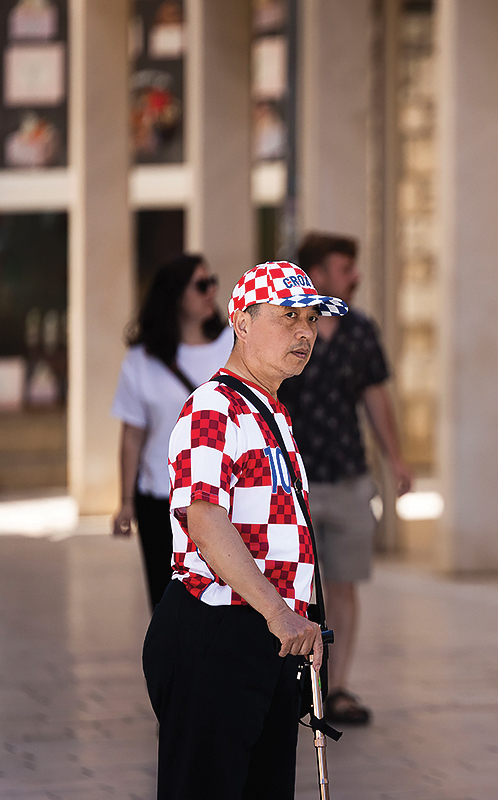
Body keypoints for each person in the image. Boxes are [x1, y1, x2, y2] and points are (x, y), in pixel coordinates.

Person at [142, 261, 348, 800]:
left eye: (312, 319)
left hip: (269, 638)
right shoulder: (213, 407)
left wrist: (298, 618)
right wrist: (279, 612)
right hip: (217, 632)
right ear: (241, 322)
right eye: (288, 317)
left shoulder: (271, 413)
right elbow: (204, 518)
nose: (305, 332)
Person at [278, 233, 414, 726]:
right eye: (344, 268)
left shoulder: (360, 329)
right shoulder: (285, 329)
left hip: (350, 479)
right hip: (294, 482)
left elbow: (376, 396)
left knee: (343, 588)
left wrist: (395, 460)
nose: (355, 276)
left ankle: (334, 690)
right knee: (289, 588)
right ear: (316, 274)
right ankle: (288, 688)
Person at [111, 254, 233, 610]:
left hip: (225, 497)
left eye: (212, 282)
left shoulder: (233, 345)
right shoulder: (141, 360)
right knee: (168, 603)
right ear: (175, 296)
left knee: (225, 602)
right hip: (160, 501)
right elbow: (132, 435)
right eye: (201, 285)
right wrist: (126, 502)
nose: (212, 292)